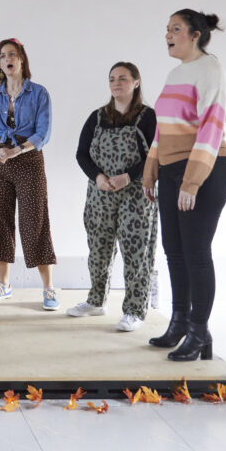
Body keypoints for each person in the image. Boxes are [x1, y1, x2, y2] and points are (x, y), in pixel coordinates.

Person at [143, 9, 226, 361]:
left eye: (176, 29)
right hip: (171, 169)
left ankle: (199, 330)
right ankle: (179, 322)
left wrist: (192, 181)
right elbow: (162, 129)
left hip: (207, 168)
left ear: (195, 34)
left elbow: (212, 125)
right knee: (174, 251)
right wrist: (151, 172)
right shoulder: (174, 73)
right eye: (166, 29)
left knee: (196, 253)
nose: (168, 35)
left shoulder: (210, 68)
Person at [69, 62, 158, 331]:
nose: (116, 83)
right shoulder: (97, 117)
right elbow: (81, 154)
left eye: (122, 78)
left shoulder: (148, 117)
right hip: (100, 194)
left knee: (136, 253)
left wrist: (128, 176)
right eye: (112, 79)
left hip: (137, 195)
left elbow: (157, 156)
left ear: (136, 82)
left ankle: (135, 310)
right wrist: (97, 177)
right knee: (98, 249)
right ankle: (96, 301)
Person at [0, 38, 59, 309]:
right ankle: (4, 285)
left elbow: (42, 132)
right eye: (2, 56)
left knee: (34, 221)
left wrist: (17, 150)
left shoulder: (39, 93)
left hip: (29, 160)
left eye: (12, 54)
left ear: (22, 58)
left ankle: (48, 288)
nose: (7, 59)